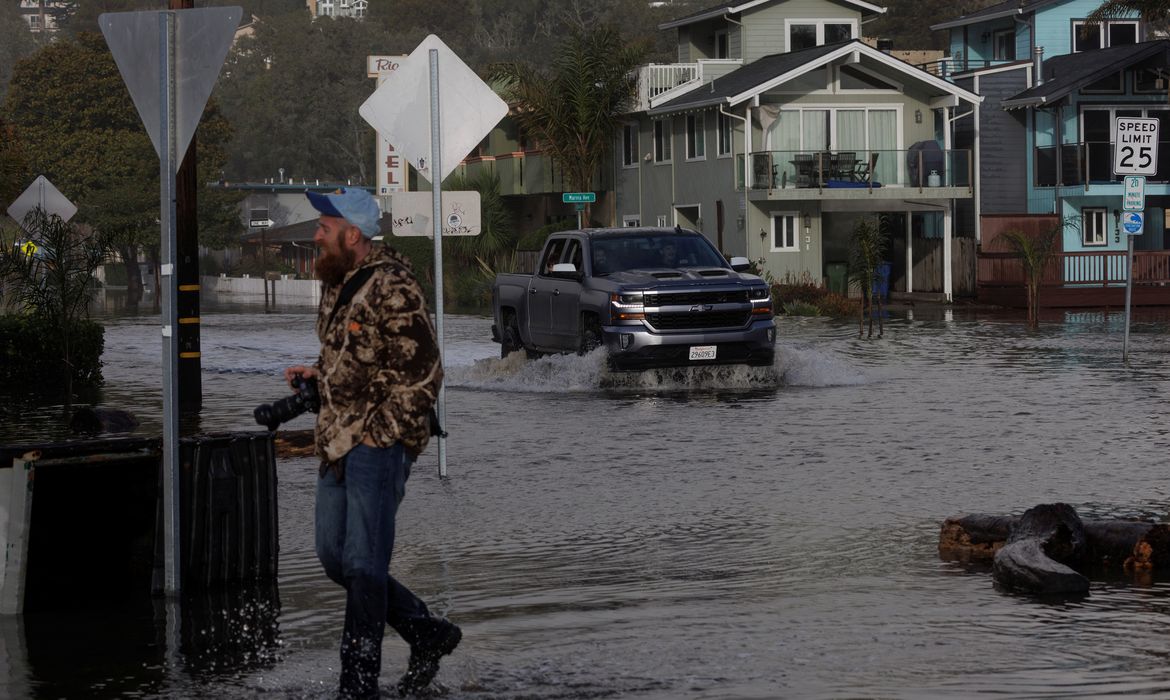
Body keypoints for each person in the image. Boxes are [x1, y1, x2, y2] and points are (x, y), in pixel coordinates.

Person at [283, 187, 460, 699]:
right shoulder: (337, 284)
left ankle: (356, 686)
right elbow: (357, 359)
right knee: (334, 557)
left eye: (324, 225)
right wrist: (316, 376)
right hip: (334, 439)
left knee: (364, 565)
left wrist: (383, 437)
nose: (316, 233)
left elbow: (425, 373)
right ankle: (427, 632)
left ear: (351, 234)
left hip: (375, 445)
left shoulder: (394, 286)